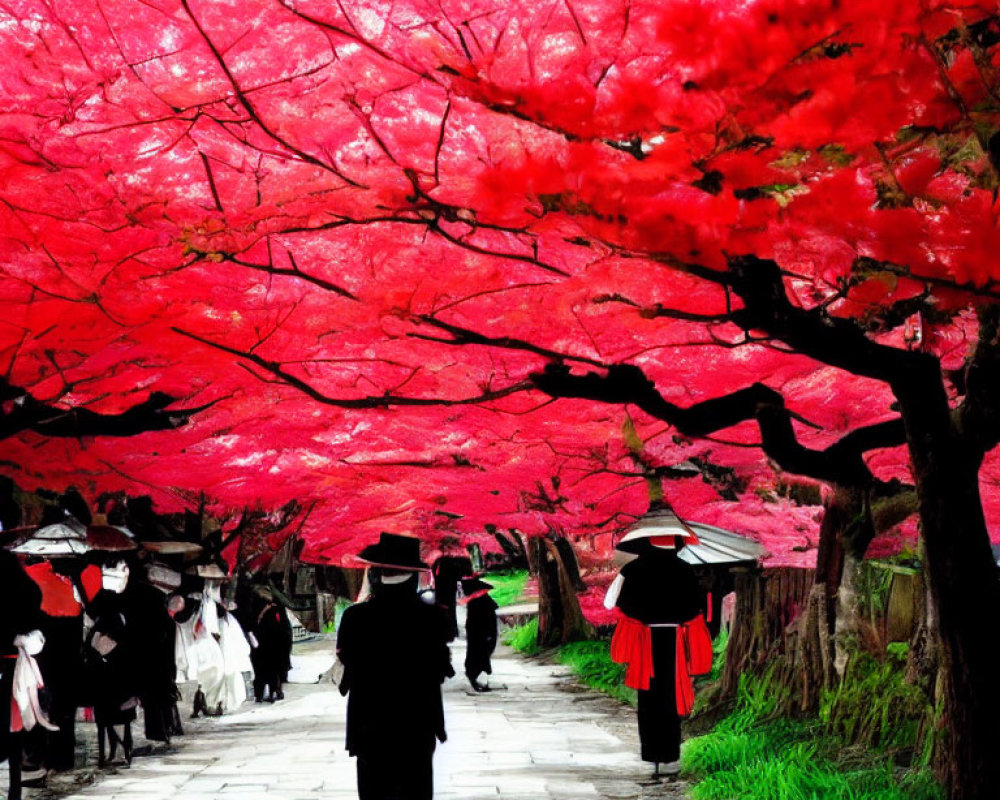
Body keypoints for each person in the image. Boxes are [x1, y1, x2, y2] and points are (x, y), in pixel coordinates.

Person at [336, 532, 453, 800]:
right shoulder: (433, 617)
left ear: (376, 576)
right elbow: (441, 670)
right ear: (413, 577)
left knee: (374, 789)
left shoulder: (355, 618)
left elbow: (345, 664)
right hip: (417, 720)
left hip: (369, 723)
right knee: (416, 788)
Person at [606, 516, 711, 779]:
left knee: (649, 699)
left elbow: (613, 604)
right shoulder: (686, 570)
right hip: (675, 639)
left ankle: (653, 758)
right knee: (672, 697)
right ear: (676, 543)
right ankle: (671, 759)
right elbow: (696, 608)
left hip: (645, 640)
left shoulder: (632, 570)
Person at [1, 549, 43, 800]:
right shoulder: (28, 589)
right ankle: (15, 786)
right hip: (16, 665)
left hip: (6, 663)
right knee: (14, 727)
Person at [459, 576, 497, 692]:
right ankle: (476, 678)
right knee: (479, 655)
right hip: (481, 633)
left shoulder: (478, 600)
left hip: (479, 633)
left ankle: (476, 678)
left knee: (479, 654)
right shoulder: (479, 601)